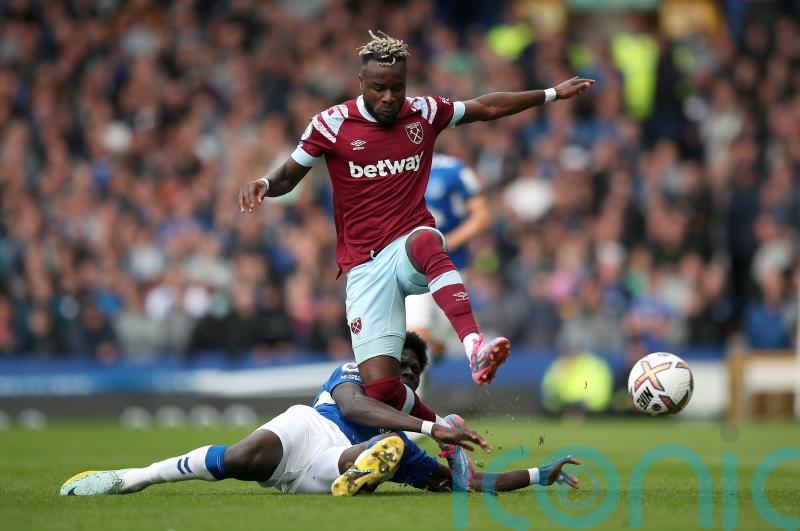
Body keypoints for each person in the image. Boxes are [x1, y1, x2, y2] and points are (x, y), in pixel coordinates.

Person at [239, 30, 594, 446]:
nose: (389, 97)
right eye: (379, 88)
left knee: (428, 239)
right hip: (364, 267)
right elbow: (288, 174)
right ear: (361, 84)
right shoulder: (332, 124)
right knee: (382, 392)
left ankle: (474, 345)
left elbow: (486, 106)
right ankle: (445, 432)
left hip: (408, 247)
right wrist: (263, 182)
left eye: (397, 87)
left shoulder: (425, 112)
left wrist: (551, 93)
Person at [61, 333, 579, 496]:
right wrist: (427, 427)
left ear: (418, 377)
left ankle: (365, 468)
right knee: (242, 457)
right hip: (309, 426)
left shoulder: (414, 414)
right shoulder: (354, 372)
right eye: (397, 363)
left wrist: (537, 475)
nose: (401, 374)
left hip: (330, 462)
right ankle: (136, 478)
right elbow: (354, 407)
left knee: (396, 451)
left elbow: (460, 483)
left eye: (411, 369)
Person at [406, 153, 490, 358]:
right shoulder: (392, 168)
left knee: (436, 346)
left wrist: (446, 242)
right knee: (416, 335)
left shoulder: (453, 169)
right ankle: (412, 388)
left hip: (453, 267)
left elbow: (482, 216)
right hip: (415, 266)